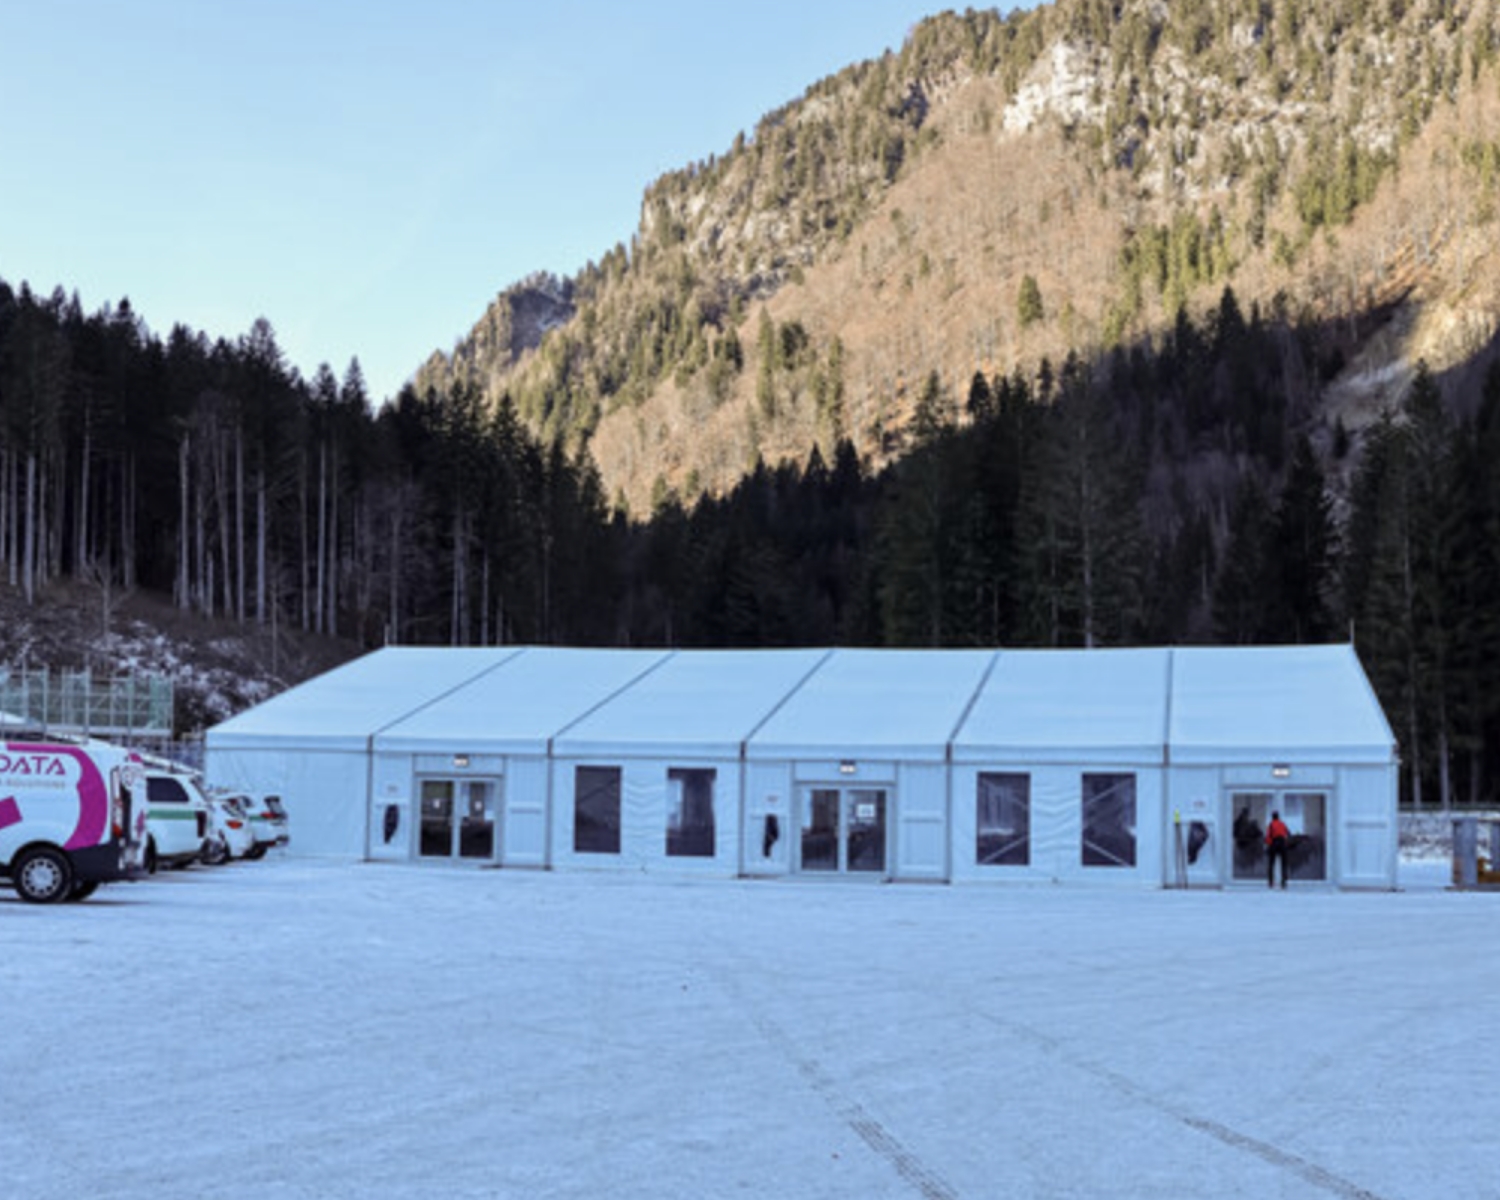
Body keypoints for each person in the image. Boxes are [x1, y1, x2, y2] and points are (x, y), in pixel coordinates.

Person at [1265, 810, 1291, 889]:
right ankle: (1284, 881)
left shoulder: (1271, 824)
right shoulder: (1282, 824)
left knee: (1271, 863)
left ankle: (1271, 882)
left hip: (1275, 843)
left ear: (1272, 817)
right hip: (1282, 843)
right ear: (1278, 817)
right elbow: (1288, 833)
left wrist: (1268, 845)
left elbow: (1269, 836)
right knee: (1284, 863)